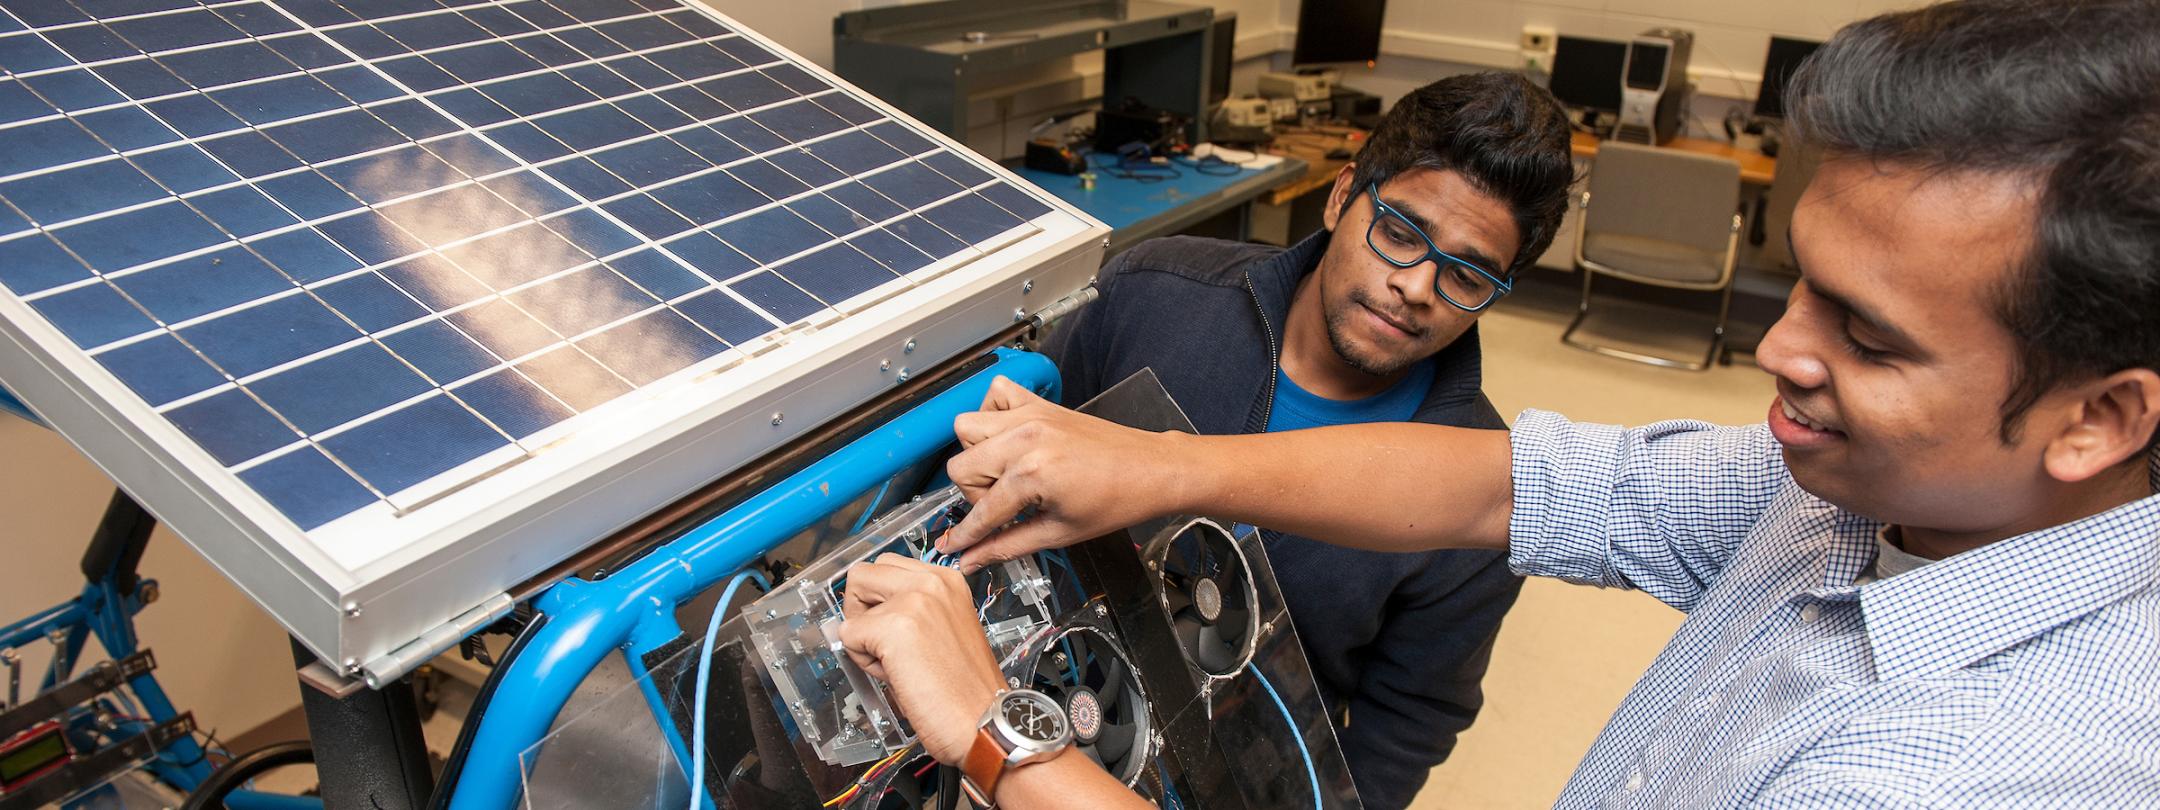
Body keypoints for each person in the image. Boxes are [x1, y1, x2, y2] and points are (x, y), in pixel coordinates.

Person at [838, 0, 2160, 806]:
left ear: (2098, 417)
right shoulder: (1839, 483)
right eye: (1795, 288)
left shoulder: (1984, 773)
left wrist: (988, 735)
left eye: (1864, 334)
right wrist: (1165, 468)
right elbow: (1493, 483)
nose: (1777, 355)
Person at [1033, 70, 1573, 809]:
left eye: (1469, 276)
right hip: (1030, 705)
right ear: (1341, 196)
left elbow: (1408, 720)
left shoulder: (1480, 498)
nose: (1417, 288)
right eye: (1400, 233)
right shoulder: (1149, 296)